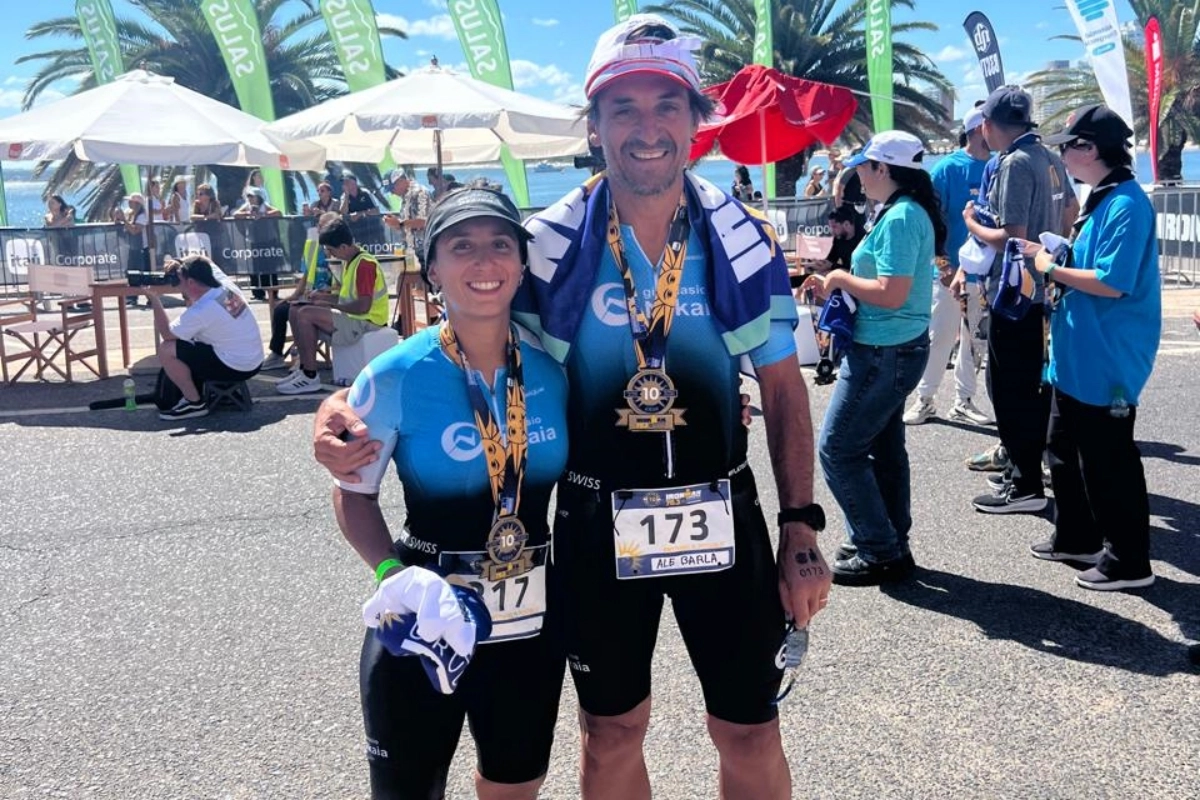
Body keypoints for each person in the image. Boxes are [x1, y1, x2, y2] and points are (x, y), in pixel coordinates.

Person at [313, 16, 830, 799]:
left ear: (696, 119)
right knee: (613, 734)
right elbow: (466, 339)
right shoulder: (549, 244)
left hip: (723, 514)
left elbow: (785, 389)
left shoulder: (740, 234)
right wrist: (342, 407)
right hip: (595, 526)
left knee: (750, 732)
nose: (647, 127)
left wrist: (801, 526)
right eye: (624, 108)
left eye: (666, 104)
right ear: (594, 126)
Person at [334, 182, 568, 798]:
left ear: (522, 264)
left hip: (529, 622)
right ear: (432, 268)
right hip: (421, 614)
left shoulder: (555, 371)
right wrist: (389, 573)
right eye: (462, 246)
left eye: (500, 245)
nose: (484, 261)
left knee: (514, 788)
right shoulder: (395, 373)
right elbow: (352, 491)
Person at [1024, 103, 1161, 590]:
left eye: (1067, 147)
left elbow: (1111, 281)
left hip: (1107, 356)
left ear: (1089, 149)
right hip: (1079, 353)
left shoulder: (1125, 203)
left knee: (1109, 460)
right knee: (1062, 448)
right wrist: (1055, 256)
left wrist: (1049, 267)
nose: (1062, 156)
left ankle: (1129, 560)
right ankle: (1076, 536)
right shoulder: (1103, 198)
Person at [801, 130, 944, 586]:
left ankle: (879, 547)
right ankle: (887, 538)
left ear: (883, 168)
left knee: (839, 449)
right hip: (895, 347)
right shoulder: (906, 211)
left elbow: (891, 292)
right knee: (883, 448)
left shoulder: (900, 216)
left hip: (884, 350)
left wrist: (839, 279)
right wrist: (838, 279)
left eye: (863, 167)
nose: (857, 175)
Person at [957, 85, 1077, 514]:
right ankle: (1024, 471)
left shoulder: (1014, 163)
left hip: (1015, 293)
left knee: (1008, 387)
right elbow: (1070, 212)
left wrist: (972, 223)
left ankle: (1024, 484)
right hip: (1043, 288)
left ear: (988, 125)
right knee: (1032, 386)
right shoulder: (1048, 156)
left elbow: (1012, 237)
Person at [904, 106, 994, 427]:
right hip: (949, 271)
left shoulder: (998, 166)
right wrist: (942, 264)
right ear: (978, 129)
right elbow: (930, 221)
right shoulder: (947, 169)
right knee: (940, 336)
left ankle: (963, 400)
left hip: (985, 273)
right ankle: (925, 399)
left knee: (973, 339)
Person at [277, 214, 388, 395]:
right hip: (355, 318)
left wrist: (331, 306)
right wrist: (323, 298)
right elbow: (347, 298)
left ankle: (310, 376)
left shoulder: (364, 265)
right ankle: (303, 367)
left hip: (367, 322)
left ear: (343, 247)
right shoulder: (351, 260)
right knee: (295, 309)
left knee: (305, 314)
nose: (330, 254)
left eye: (331, 249)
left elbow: (363, 306)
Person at [146, 255, 263, 421]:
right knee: (192, 339)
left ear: (191, 282)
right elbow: (205, 259)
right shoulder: (223, 284)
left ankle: (194, 403)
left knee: (167, 349)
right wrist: (179, 262)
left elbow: (166, 334)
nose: (177, 283)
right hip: (254, 360)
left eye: (179, 278)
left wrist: (154, 298)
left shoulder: (203, 309)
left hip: (235, 366)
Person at [383, 169, 432, 262]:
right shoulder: (405, 197)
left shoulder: (420, 192)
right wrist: (395, 223)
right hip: (411, 252)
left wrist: (400, 223)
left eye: (392, 188)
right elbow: (407, 225)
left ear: (401, 181)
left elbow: (425, 222)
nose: (392, 193)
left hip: (424, 252)